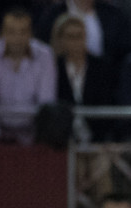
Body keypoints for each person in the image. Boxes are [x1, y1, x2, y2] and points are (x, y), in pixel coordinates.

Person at [0, 8, 56, 144]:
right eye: (11, 32)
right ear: (2, 33)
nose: (17, 38)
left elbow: (46, 102)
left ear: (31, 33)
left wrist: (41, 138)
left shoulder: (45, 55)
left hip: (35, 135)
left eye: (23, 32)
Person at [53, 13, 117, 142]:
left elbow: (107, 103)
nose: (76, 42)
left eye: (79, 36)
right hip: (63, 138)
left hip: (97, 136)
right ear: (61, 39)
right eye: (70, 37)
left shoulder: (101, 67)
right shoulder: (54, 68)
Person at [34, 0, 131, 69]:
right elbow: (43, 48)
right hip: (62, 77)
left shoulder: (114, 14)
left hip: (106, 79)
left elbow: (127, 50)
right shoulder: (52, 14)